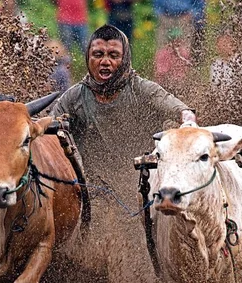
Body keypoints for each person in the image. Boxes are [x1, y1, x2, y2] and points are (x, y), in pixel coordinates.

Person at [50, 24, 195, 203]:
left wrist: (188, 121)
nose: (104, 61)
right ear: (88, 57)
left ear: (125, 59)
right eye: (98, 54)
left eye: (113, 55)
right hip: (92, 191)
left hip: (142, 189)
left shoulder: (141, 89)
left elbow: (181, 111)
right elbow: (49, 129)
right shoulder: (74, 97)